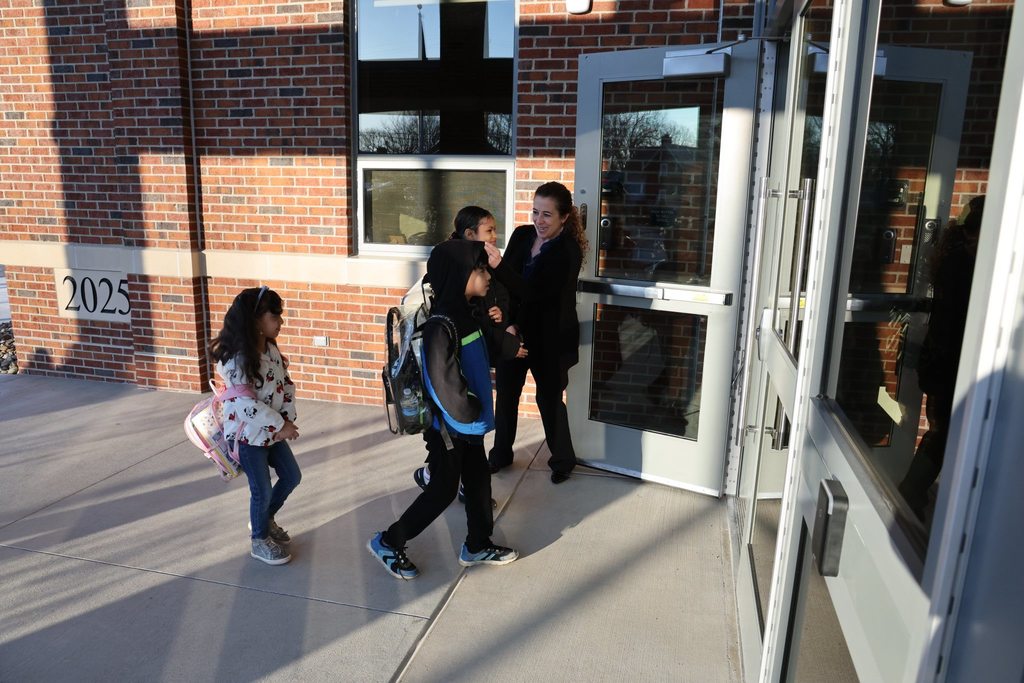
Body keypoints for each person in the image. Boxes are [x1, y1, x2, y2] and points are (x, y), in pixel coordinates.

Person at [369, 240, 519, 579]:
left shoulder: (468, 312)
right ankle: (389, 541)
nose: (486, 276)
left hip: (468, 426)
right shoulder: (441, 324)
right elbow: (444, 382)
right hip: (451, 427)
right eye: (479, 270)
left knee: (479, 483)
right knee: (442, 491)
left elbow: (487, 347)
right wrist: (471, 411)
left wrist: (512, 344)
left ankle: (477, 543)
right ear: (459, 274)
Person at [413, 207, 526, 500]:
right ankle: (395, 535)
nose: (495, 236)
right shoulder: (450, 272)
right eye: (489, 230)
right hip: (457, 407)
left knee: (465, 458)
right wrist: (468, 409)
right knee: (445, 461)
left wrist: (499, 317)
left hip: (467, 403)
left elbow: (494, 302)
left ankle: (476, 528)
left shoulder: (478, 266)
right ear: (469, 235)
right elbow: (445, 374)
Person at [484, 181, 586, 484]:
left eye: (547, 215)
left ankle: (563, 460)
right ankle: (500, 454)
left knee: (549, 400)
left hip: (550, 338)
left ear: (564, 217)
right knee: (506, 395)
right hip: (514, 330)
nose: (538, 221)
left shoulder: (568, 252)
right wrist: (509, 323)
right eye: (535, 212)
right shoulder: (522, 235)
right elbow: (502, 286)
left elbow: (534, 293)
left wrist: (500, 265)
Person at [899, 196, 984, 521]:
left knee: (942, 432)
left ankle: (914, 494)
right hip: (950, 365)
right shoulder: (964, 266)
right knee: (945, 434)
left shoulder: (953, 260)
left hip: (941, 362)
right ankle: (911, 494)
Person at [211, 286, 302, 566]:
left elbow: (284, 384)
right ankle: (259, 540)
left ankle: (264, 518)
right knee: (261, 489)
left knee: (291, 476)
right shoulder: (237, 359)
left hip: (271, 433)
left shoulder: (270, 348)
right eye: (274, 315)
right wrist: (279, 425)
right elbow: (244, 406)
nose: (280, 321)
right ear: (256, 320)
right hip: (249, 437)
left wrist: (287, 418)